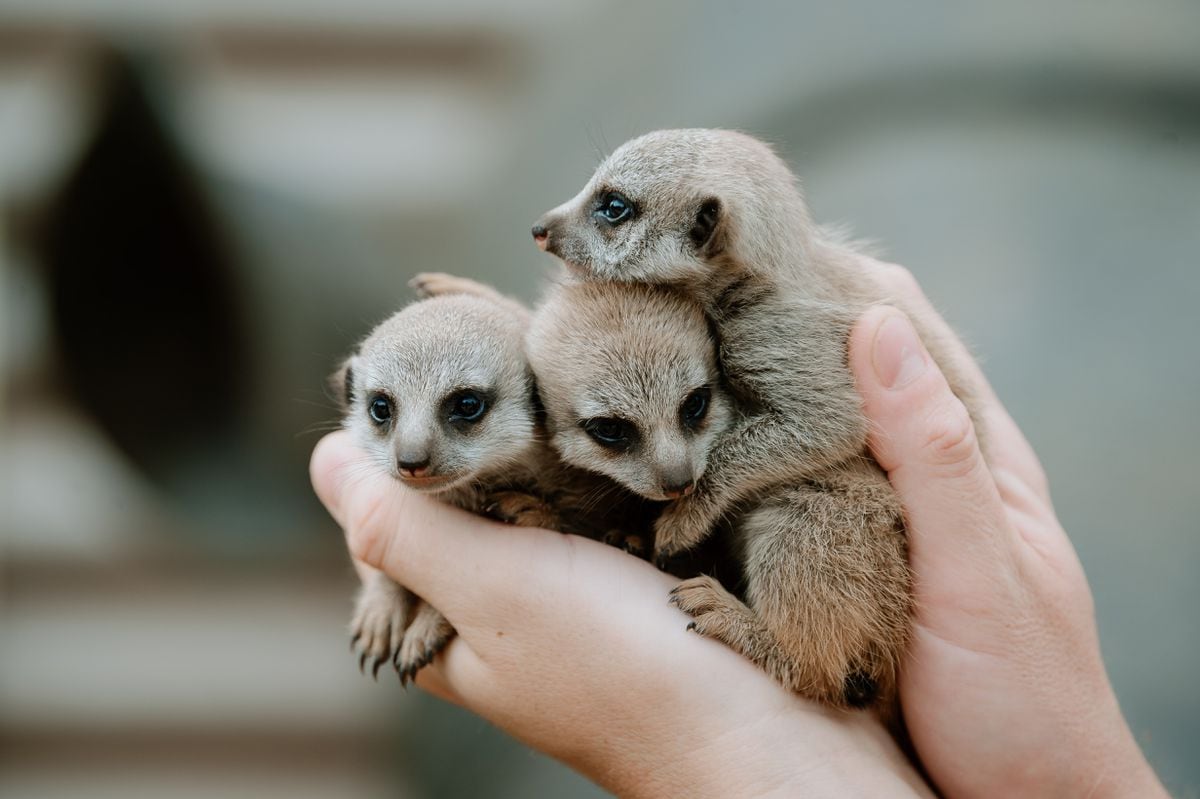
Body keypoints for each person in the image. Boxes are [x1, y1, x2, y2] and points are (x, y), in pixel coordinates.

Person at [309, 261, 1168, 798]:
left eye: (463, 409)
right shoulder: (547, 421)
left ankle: (796, 648)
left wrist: (727, 752)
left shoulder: (750, 352)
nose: (414, 454)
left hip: (832, 603)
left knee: (815, 512)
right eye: (382, 415)